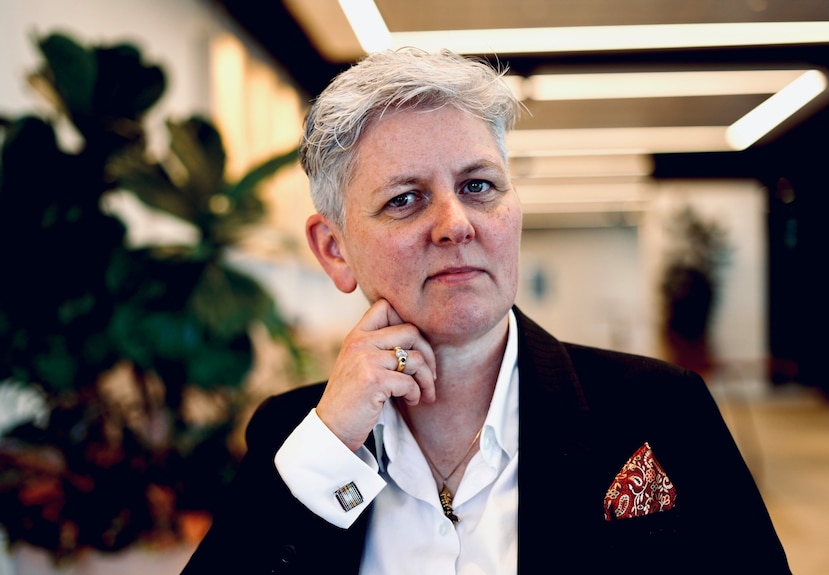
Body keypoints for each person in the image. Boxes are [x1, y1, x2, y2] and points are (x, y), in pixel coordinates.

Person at [181, 48, 791, 574]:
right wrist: (331, 444)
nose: (454, 224)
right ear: (335, 250)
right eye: (405, 199)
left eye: (478, 185)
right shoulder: (298, 434)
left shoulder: (660, 408)